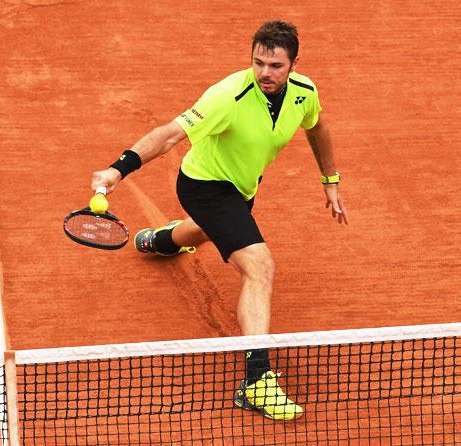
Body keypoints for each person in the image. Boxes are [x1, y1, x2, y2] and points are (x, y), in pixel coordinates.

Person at [91, 20, 347, 421]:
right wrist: (117, 170)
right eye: (258, 62)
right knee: (259, 267)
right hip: (204, 187)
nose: (265, 72)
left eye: (275, 65)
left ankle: (165, 240)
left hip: (243, 186)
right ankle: (256, 381)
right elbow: (170, 134)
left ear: (294, 64)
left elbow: (318, 129)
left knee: (220, 231)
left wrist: (330, 180)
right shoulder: (227, 95)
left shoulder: (304, 94)